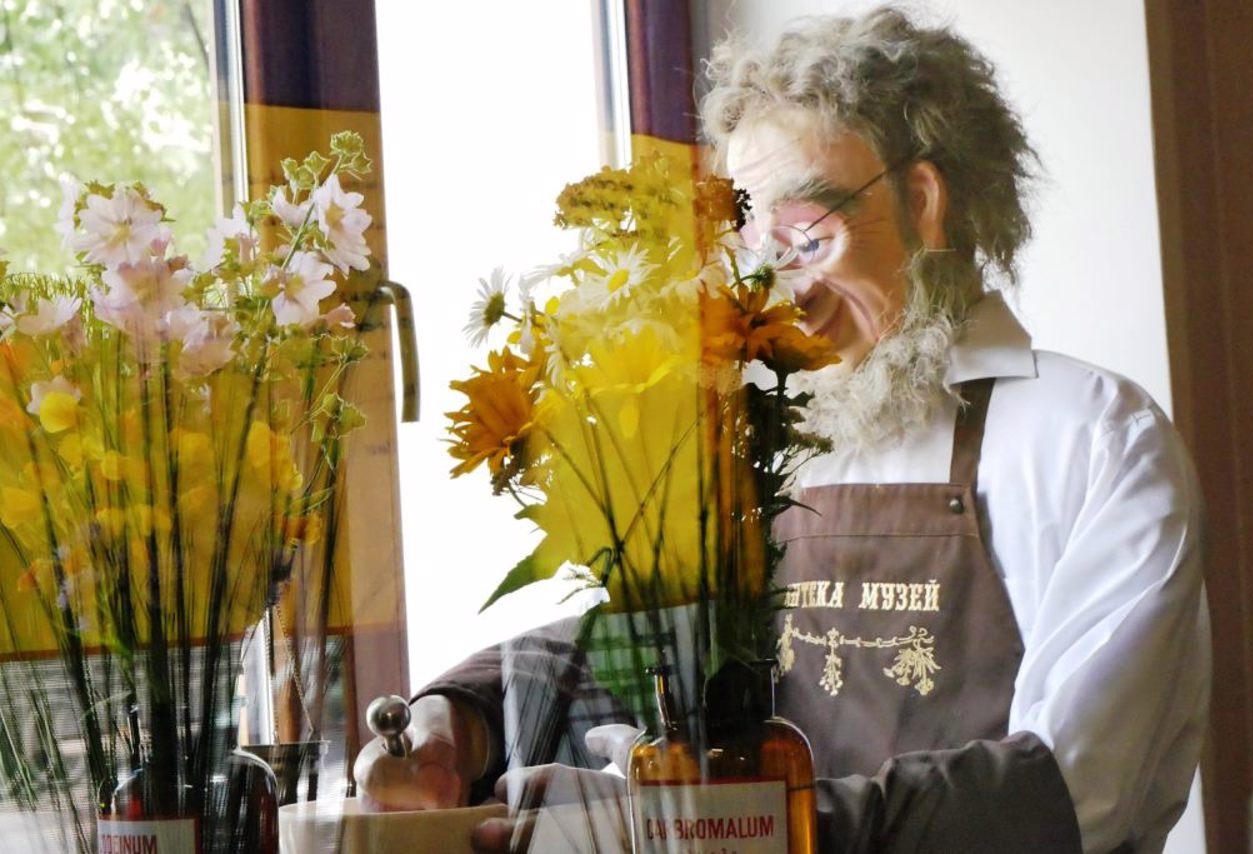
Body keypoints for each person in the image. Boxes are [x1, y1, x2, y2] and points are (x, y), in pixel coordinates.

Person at [356, 8, 1209, 854]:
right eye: (754, 254)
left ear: (924, 203)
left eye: (804, 239)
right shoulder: (771, 442)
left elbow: (1069, 795)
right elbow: (656, 649)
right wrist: (457, 718)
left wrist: (716, 831)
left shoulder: (1091, 438)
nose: (779, 294)